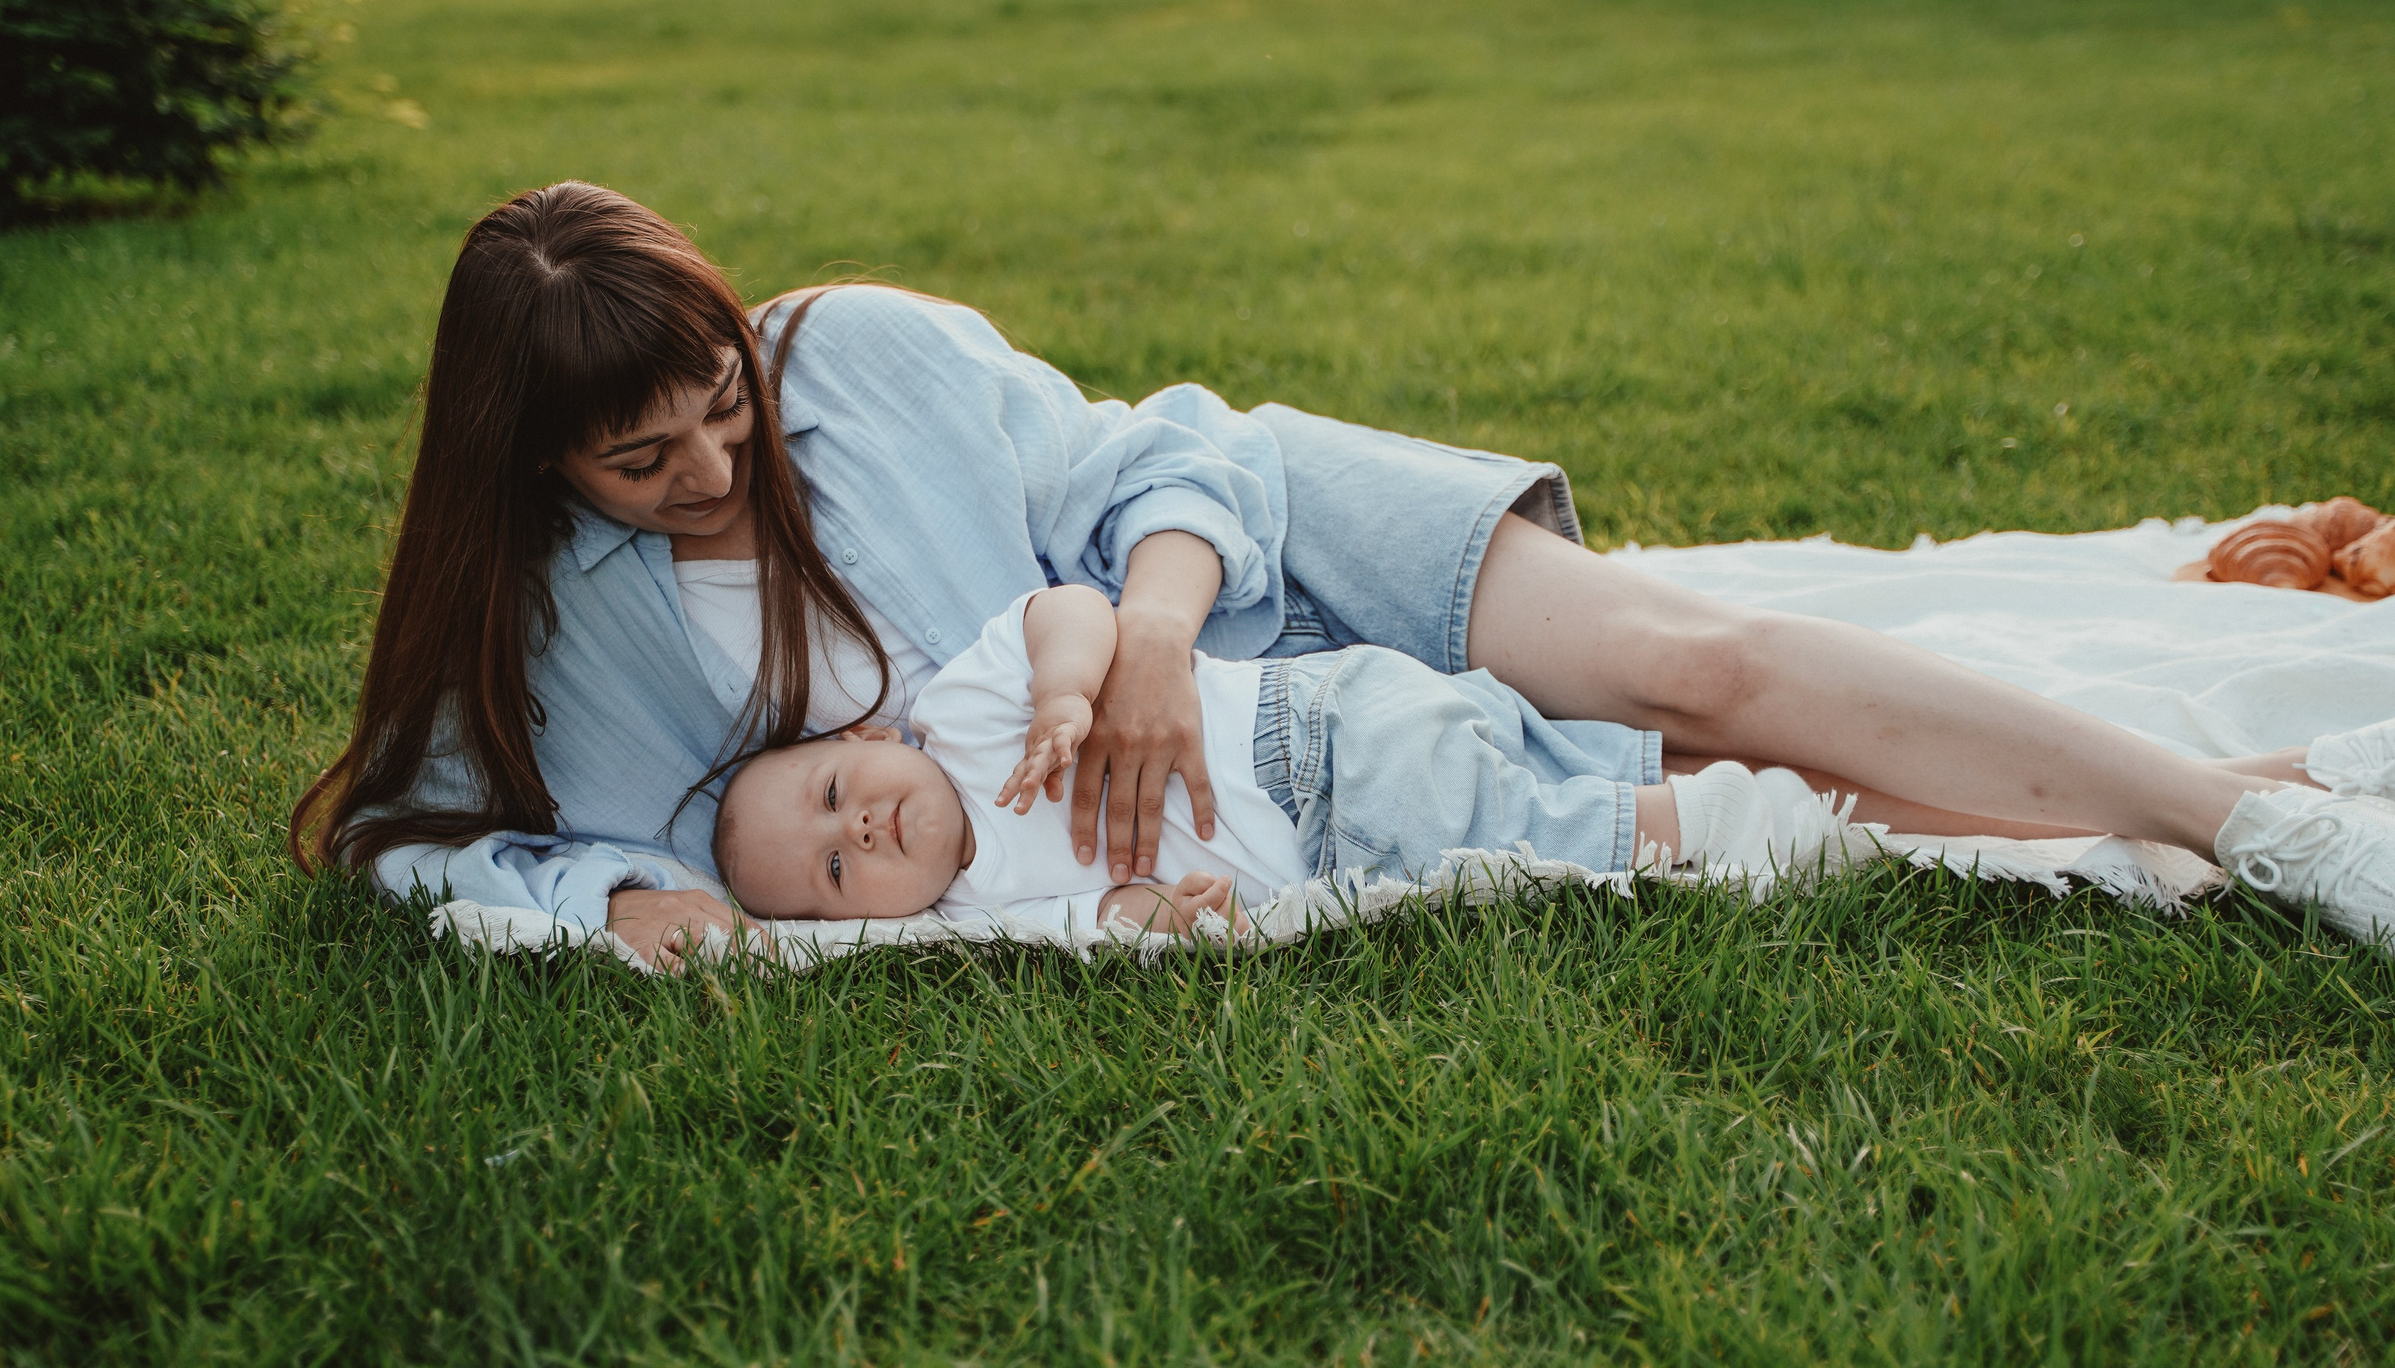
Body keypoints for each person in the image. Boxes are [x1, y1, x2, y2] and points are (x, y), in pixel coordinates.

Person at [290, 182, 2395, 967]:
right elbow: (420, 838)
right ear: (537, 463)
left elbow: (1162, 453)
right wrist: (617, 897)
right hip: (1282, 767)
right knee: (1683, 784)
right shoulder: (563, 633)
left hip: (1247, 560)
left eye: (721, 403)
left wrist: (1151, 632)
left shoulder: (863, 354)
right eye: (643, 459)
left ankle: (2256, 823)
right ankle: (2150, 816)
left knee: (1700, 660)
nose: (712, 466)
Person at [714, 585, 1850, 937]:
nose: (858, 828)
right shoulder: (980, 912)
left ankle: (1714, 828)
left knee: (1505, 843)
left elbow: (1065, 610)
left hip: (1310, 740)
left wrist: (1063, 691)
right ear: (857, 921)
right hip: (1327, 834)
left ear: (865, 739)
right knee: (1520, 789)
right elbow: (1109, 917)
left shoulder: (961, 715)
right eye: (834, 870)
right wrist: (1167, 911)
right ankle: (1682, 785)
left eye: (833, 795)